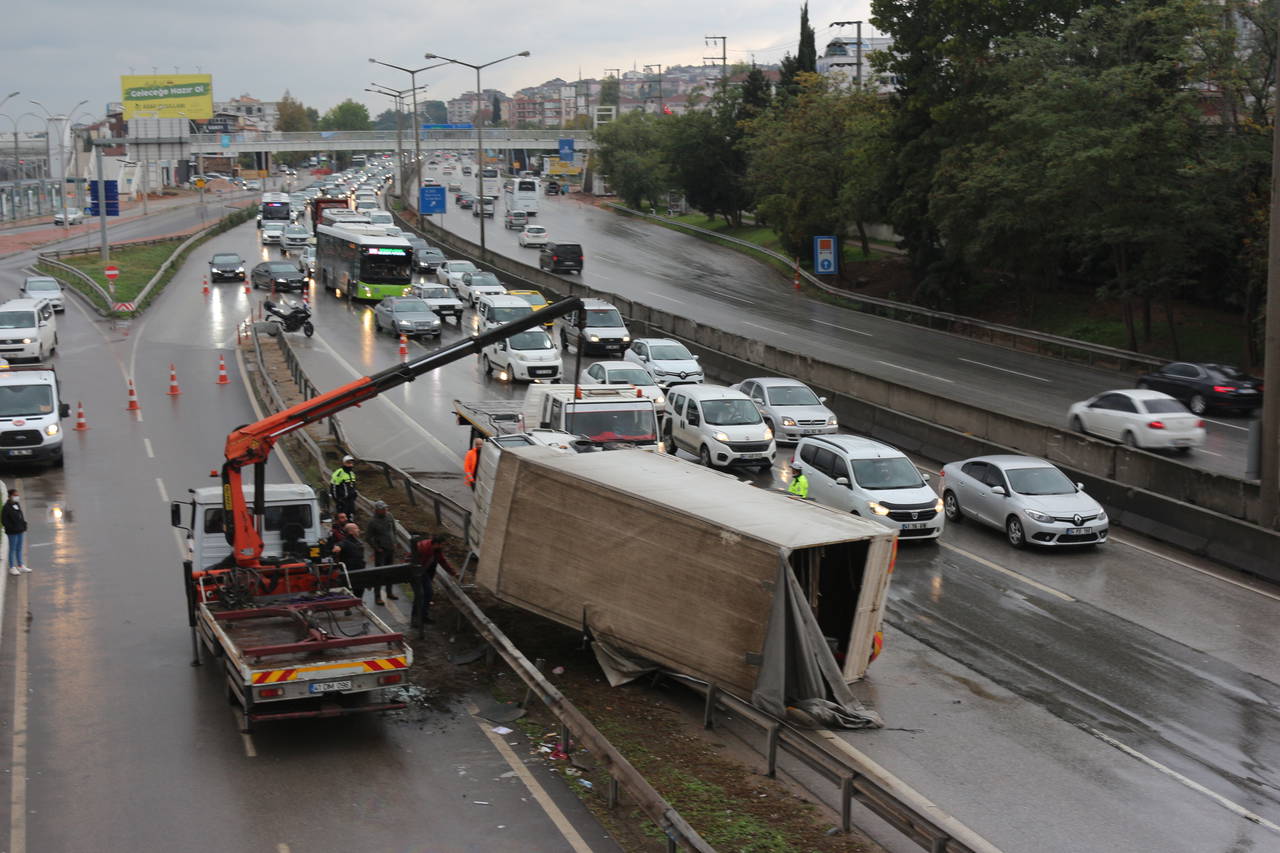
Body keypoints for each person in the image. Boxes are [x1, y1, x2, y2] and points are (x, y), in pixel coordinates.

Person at [408, 531, 457, 637]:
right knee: (420, 595)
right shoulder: (423, 547)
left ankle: (423, 616)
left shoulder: (437, 550)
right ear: (437, 543)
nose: (444, 546)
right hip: (416, 572)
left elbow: (442, 561)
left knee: (428, 593)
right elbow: (410, 558)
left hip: (424, 572)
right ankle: (415, 619)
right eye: (443, 544)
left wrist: (453, 572)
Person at [365, 501, 398, 606]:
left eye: (385, 508)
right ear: (377, 510)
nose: (385, 510)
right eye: (382, 509)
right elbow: (368, 537)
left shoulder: (389, 516)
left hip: (390, 548)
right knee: (379, 574)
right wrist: (376, 548)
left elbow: (394, 530)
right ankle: (377, 596)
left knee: (390, 572)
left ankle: (389, 592)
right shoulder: (372, 522)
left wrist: (395, 542)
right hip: (381, 551)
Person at [332, 522, 366, 599]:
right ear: (350, 532)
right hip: (350, 572)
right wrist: (337, 548)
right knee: (351, 592)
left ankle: (358, 601)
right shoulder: (345, 542)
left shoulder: (358, 542)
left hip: (360, 570)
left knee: (360, 591)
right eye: (356, 528)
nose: (358, 530)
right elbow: (340, 545)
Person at [3, 489, 29, 576]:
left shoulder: (17, 504)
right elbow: (4, 521)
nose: (17, 497)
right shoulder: (6, 507)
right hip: (12, 532)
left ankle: (20, 565)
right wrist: (12, 528)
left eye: (17, 495)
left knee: (19, 548)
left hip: (20, 530)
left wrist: (24, 525)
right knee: (12, 549)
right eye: (15, 495)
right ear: (9, 496)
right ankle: (11, 567)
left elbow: (21, 516)